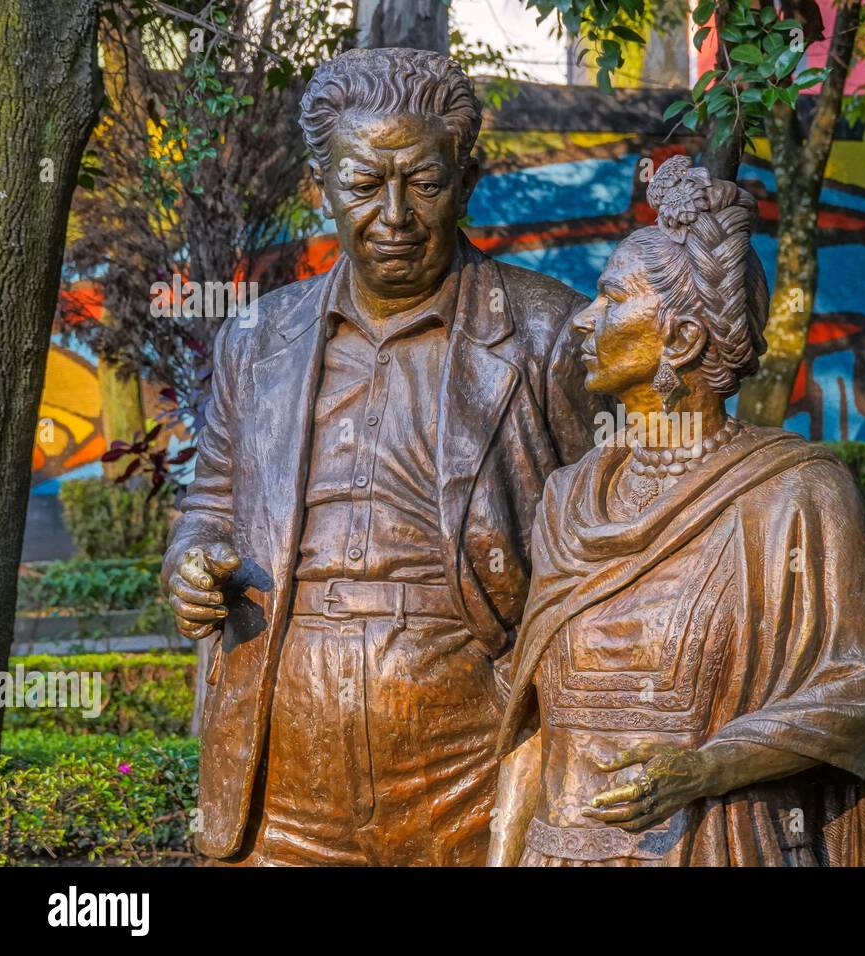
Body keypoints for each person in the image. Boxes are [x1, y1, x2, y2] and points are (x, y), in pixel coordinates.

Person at [161, 48, 599, 865]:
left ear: (465, 183)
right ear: (320, 187)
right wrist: (191, 565)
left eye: (424, 184)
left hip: (470, 751)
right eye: (364, 185)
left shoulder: (550, 335)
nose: (394, 214)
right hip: (281, 755)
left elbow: (617, 529)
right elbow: (209, 502)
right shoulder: (256, 340)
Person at [489, 156, 865, 866]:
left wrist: (709, 767)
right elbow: (533, 725)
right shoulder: (566, 500)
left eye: (611, 299)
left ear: (679, 340)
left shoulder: (795, 494)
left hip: (718, 847)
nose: (584, 321)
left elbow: (860, 697)